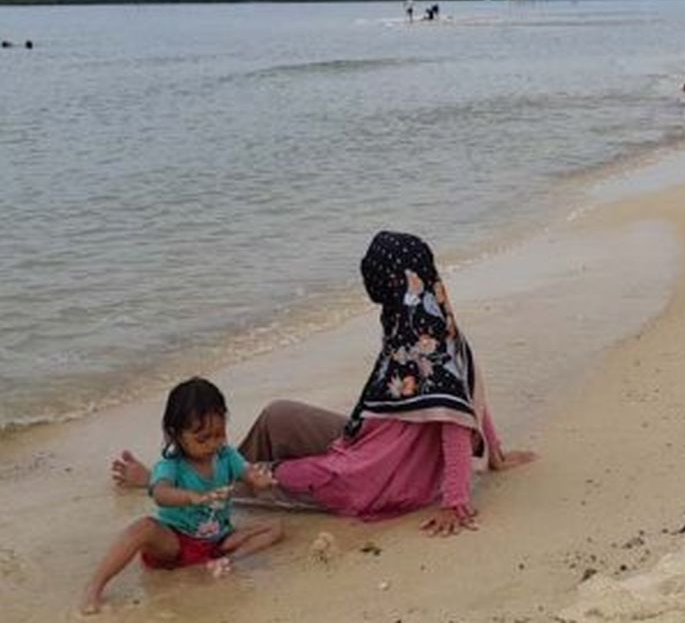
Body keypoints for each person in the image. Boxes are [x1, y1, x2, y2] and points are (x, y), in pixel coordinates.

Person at [110, 233, 535, 535]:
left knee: (268, 478)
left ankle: (166, 484)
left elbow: (457, 419)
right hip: (369, 441)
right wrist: (495, 456)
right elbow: (473, 397)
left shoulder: (430, 348)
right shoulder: (424, 324)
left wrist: (455, 502)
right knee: (278, 415)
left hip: (377, 476)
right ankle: (205, 467)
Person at [82, 379, 282, 614]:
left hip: (218, 541)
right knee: (143, 528)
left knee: (274, 527)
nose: (212, 444)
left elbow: (247, 471)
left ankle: (229, 561)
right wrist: (192, 497)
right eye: (202, 438)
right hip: (176, 543)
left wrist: (258, 478)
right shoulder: (171, 465)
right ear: (175, 434)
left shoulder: (226, 456)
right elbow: (160, 493)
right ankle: (94, 587)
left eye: (219, 434)